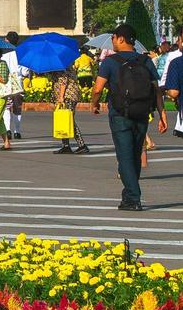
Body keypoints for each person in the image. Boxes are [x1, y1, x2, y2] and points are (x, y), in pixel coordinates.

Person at [91, 24, 167, 211]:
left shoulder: (110, 62)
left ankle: (133, 198)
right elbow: (156, 90)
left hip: (120, 114)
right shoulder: (145, 60)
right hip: (142, 113)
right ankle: (128, 195)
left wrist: (94, 103)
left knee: (124, 156)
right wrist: (162, 114)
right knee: (134, 155)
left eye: (114, 39)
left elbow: (98, 88)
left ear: (121, 39)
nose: (113, 42)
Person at [51, 66, 90, 155]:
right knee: (64, 120)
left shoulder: (61, 66)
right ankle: (65, 145)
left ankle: (82, 145)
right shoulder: (64, 64)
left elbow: (63, 82)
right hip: (68, 96)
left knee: (69, 120)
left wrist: (61, 97)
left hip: (68, 96)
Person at [0, 32, 28, 138]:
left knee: (6, 107)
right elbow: (25, 72)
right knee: (17, 108)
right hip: (18, 82)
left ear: (7, 40)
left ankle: (7, 130)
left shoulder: (2, 54)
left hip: (6, 82)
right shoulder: (21, 54)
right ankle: (17, 131)